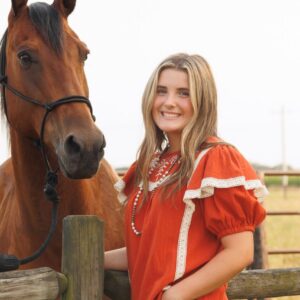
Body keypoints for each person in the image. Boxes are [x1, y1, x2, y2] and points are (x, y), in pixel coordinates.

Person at [105, 53, 267, 299]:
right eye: (161, 91)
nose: (169, 102)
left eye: (183, 93)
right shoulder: (150, 165)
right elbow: (148, 252)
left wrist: (175, 295)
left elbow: (240, 251)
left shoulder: (216, 159)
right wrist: (88, 258)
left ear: (203, 100)